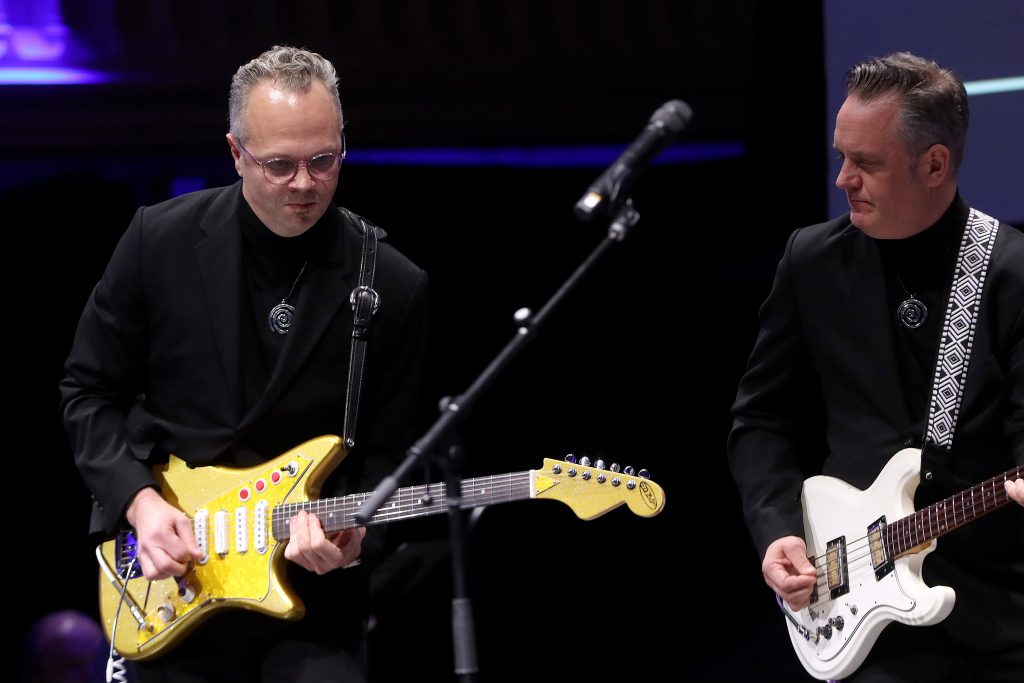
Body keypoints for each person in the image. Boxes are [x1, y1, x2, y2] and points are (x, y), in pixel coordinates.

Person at [59, 45, 429, 682]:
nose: (304, 184)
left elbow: (394, 453)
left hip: (311, 597)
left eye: (323, 160)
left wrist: (357, 538)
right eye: (279, 165)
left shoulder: (392, 283)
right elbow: (87, 392)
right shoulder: (158, 240)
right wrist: (139, 502)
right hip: (173, 575)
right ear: (236, 153)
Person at [727, 51, 1023, 682]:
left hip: (1001, 610)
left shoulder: (1011, 273)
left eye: (866, 163)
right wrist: (778, 530)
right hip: (855, 602)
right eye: (841, 157)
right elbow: (763, 419)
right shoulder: (812, 261)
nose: (843, 179)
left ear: (934, 165)